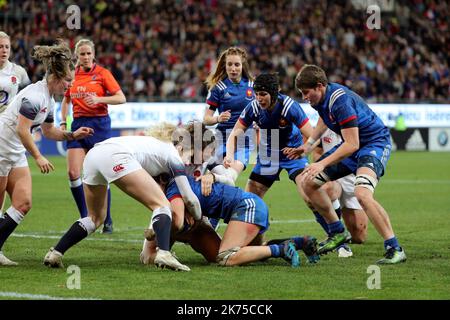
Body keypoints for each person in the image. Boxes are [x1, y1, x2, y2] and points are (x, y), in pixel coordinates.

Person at [43, 122, 210, 272]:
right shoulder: (173, 156)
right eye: (191, 156)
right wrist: (199, 219)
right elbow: (189, 198)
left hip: (94, 155)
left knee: (94, 218)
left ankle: (56, 253)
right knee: (162, 206)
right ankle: (164, 253)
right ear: (185, 147)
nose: (190, 162)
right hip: (116, 156)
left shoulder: (158, 147)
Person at [294, 64, 406, 264]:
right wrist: (309, 145)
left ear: (319, 86)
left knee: (362, 194)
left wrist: (321, 164)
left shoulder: (340, 101)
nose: (304, 97)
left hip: (374, 144)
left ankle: (394, 247)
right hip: (354, 147)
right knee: (307, 182)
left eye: (306, 92)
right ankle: (337, 232)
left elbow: (352, 144)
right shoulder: (322, 99)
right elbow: (323, 117)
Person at [0, 41, 94, 266]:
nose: (69, 87)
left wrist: (73, 135)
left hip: (15, 152)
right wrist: (39, 156)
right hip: (2, 149)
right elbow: (22, 130)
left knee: (23, 203)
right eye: (68, 81)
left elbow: (50, 131)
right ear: (57, 77)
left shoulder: (49, 100)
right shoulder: (34, 96)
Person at [141, 175, 320, 268]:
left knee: (226, 257)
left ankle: (281, 249)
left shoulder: (173, 189)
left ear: (161, 180)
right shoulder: (181, 182)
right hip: (250, 204)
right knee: (253, 252)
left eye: (151, 184)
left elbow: (178, 222)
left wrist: (156, 235)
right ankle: (298, 242)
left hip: (246, 207)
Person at [60, 39, 126, 234]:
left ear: (93, 54)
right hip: (79, 125)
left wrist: (99, 99)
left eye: (89, 54)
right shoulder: (71, 76)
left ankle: (107, 218)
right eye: (82, 54)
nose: (86, 57)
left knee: (103, 174)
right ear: (77, 56)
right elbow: (65, 100)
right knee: (73, 173)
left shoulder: (103, 74)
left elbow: (121, 98)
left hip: (100, 126)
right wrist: (64, 122)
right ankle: (85, 216)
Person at [203, 47, 256, 194]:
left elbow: (262, 111)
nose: (233, 68)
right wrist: (218, 118)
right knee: (225, 181)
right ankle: (213, 215)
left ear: (243, 65)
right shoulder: (218, 88)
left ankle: (210, 180)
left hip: (243, 141)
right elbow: (206, 119)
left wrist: (259, 121)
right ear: (225, 66)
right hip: (222, 139)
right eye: (229, 64)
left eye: (237, 65)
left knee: (230, 177)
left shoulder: (253, 86)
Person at [309, 128, 368, 257]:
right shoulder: (324, 126)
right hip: (331, 173)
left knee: (359, 236)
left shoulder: (354, 126)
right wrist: (323, 166)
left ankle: (339, 211)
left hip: (351, 176)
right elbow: (317, 152)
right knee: (326, 189)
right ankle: (336, 233)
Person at [0, 31, 31, 215]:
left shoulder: (18, 72)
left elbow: (29, 97)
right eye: (0, 47)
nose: (3, 50)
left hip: (9, 132)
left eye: (6, 47)